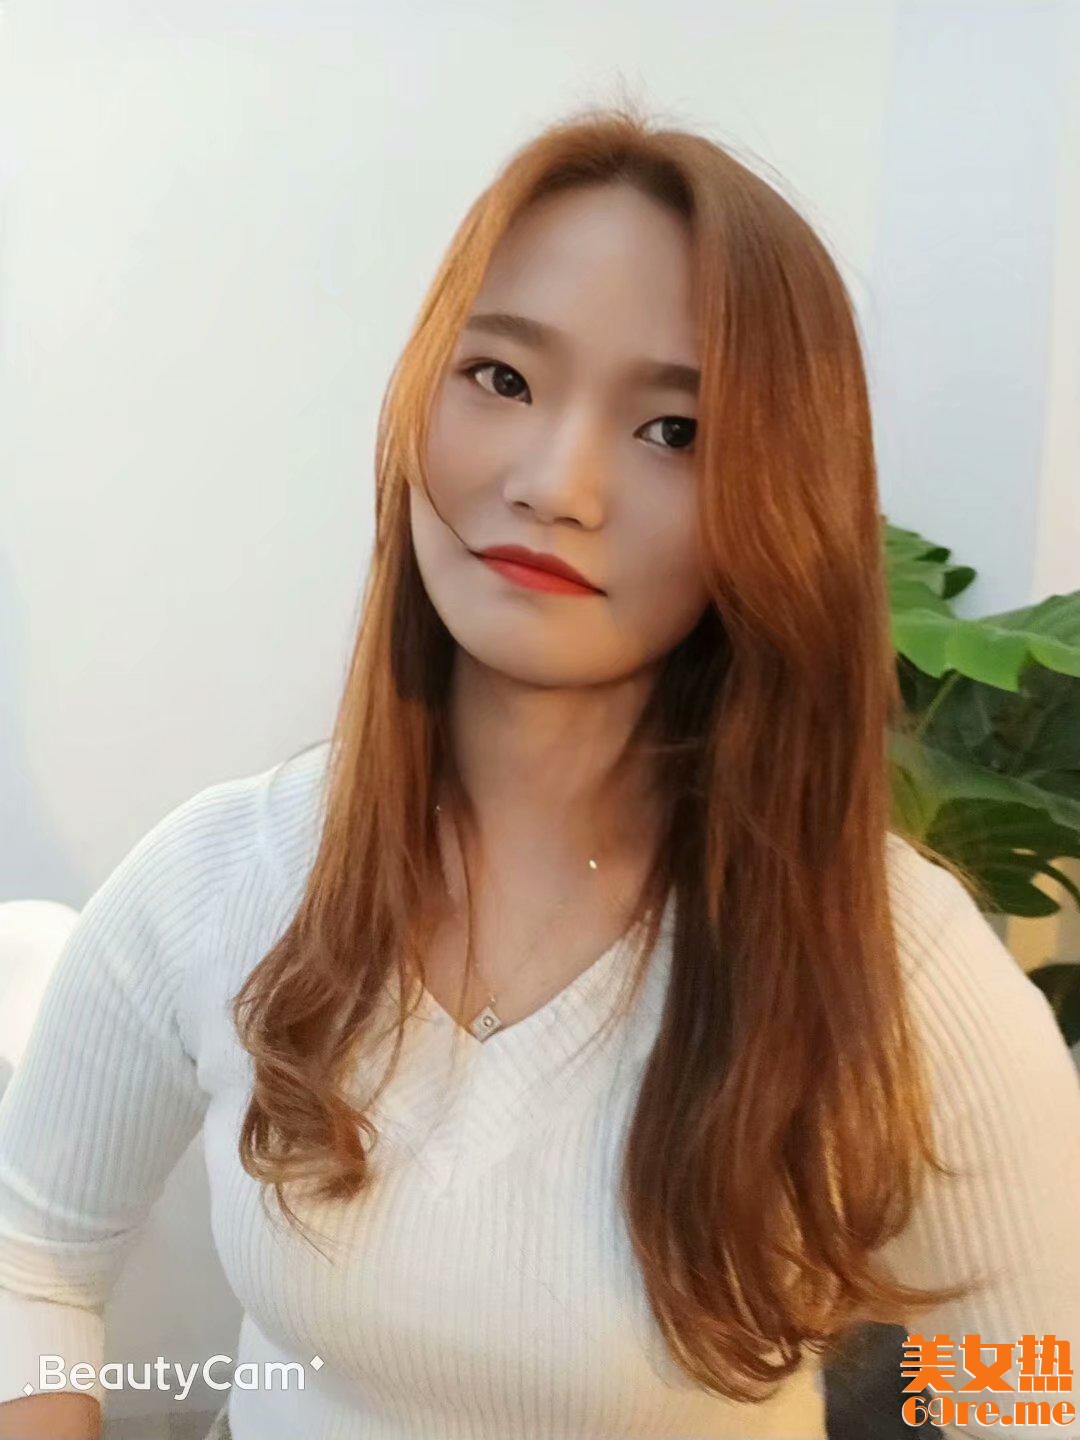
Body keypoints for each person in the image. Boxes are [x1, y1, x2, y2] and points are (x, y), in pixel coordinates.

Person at [1, 100, 1078, 1440]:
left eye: (675, 430)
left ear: (781, 502)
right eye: (503, 379)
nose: (558, 483)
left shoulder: (894, 968)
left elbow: (1034, 1392)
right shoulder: (222, 880)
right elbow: (29, 1255)